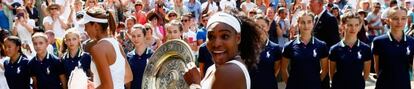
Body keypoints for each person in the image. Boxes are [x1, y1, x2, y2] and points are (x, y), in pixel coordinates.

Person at [184, 11, 265, 89]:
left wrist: (194, 84)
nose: (216, 44)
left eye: (225, 36)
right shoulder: (212, 68)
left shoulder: (230, 71)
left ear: (238, 38)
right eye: (211, 37)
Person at [80, 7, 133, 89]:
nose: (85, 29)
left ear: (96, 26)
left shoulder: (97, 48)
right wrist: (96, 85)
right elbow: (128, 77)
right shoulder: (116, 43)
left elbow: (108, 86)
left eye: (86, 26)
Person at [280, 11, 329, 89]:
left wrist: (314, 82)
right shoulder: (289, 46)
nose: (306, 26)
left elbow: (325, 70)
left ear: (313, 23)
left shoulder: (321, 45)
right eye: (303, 22)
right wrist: (291, 84)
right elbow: (283, 69)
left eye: (309, 22)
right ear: (298, 24)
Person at [372, 6, 414, 89]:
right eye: (395, 18)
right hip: (384, 85)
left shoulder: (411, 41)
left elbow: (411, 66)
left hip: (404, 85)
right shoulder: (378, 41)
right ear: (387, 20)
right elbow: (376, 67)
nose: (399, 22)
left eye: (403, 18)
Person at [329, 12, 372, 89]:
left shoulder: (366, 49)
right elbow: (331, 73)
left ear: (359, 27)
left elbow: (366, 73)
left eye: (356, 25)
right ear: (343, 26)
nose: (353, 28)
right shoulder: (334, 49)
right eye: (350, 25)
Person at [250, 15, 282, 89]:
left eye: (263, 26)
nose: (260, 29)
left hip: (269, 85)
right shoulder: (248, 47)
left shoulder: (275, 47)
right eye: (257, 26)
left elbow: (277, 68)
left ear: (268, 27)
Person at [126, 24, 154, 89]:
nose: (136, 39)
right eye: (133, 36)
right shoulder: (128, 56)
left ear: (144, 36)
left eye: (139, 36)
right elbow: (128, 82)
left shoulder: (153, 55)